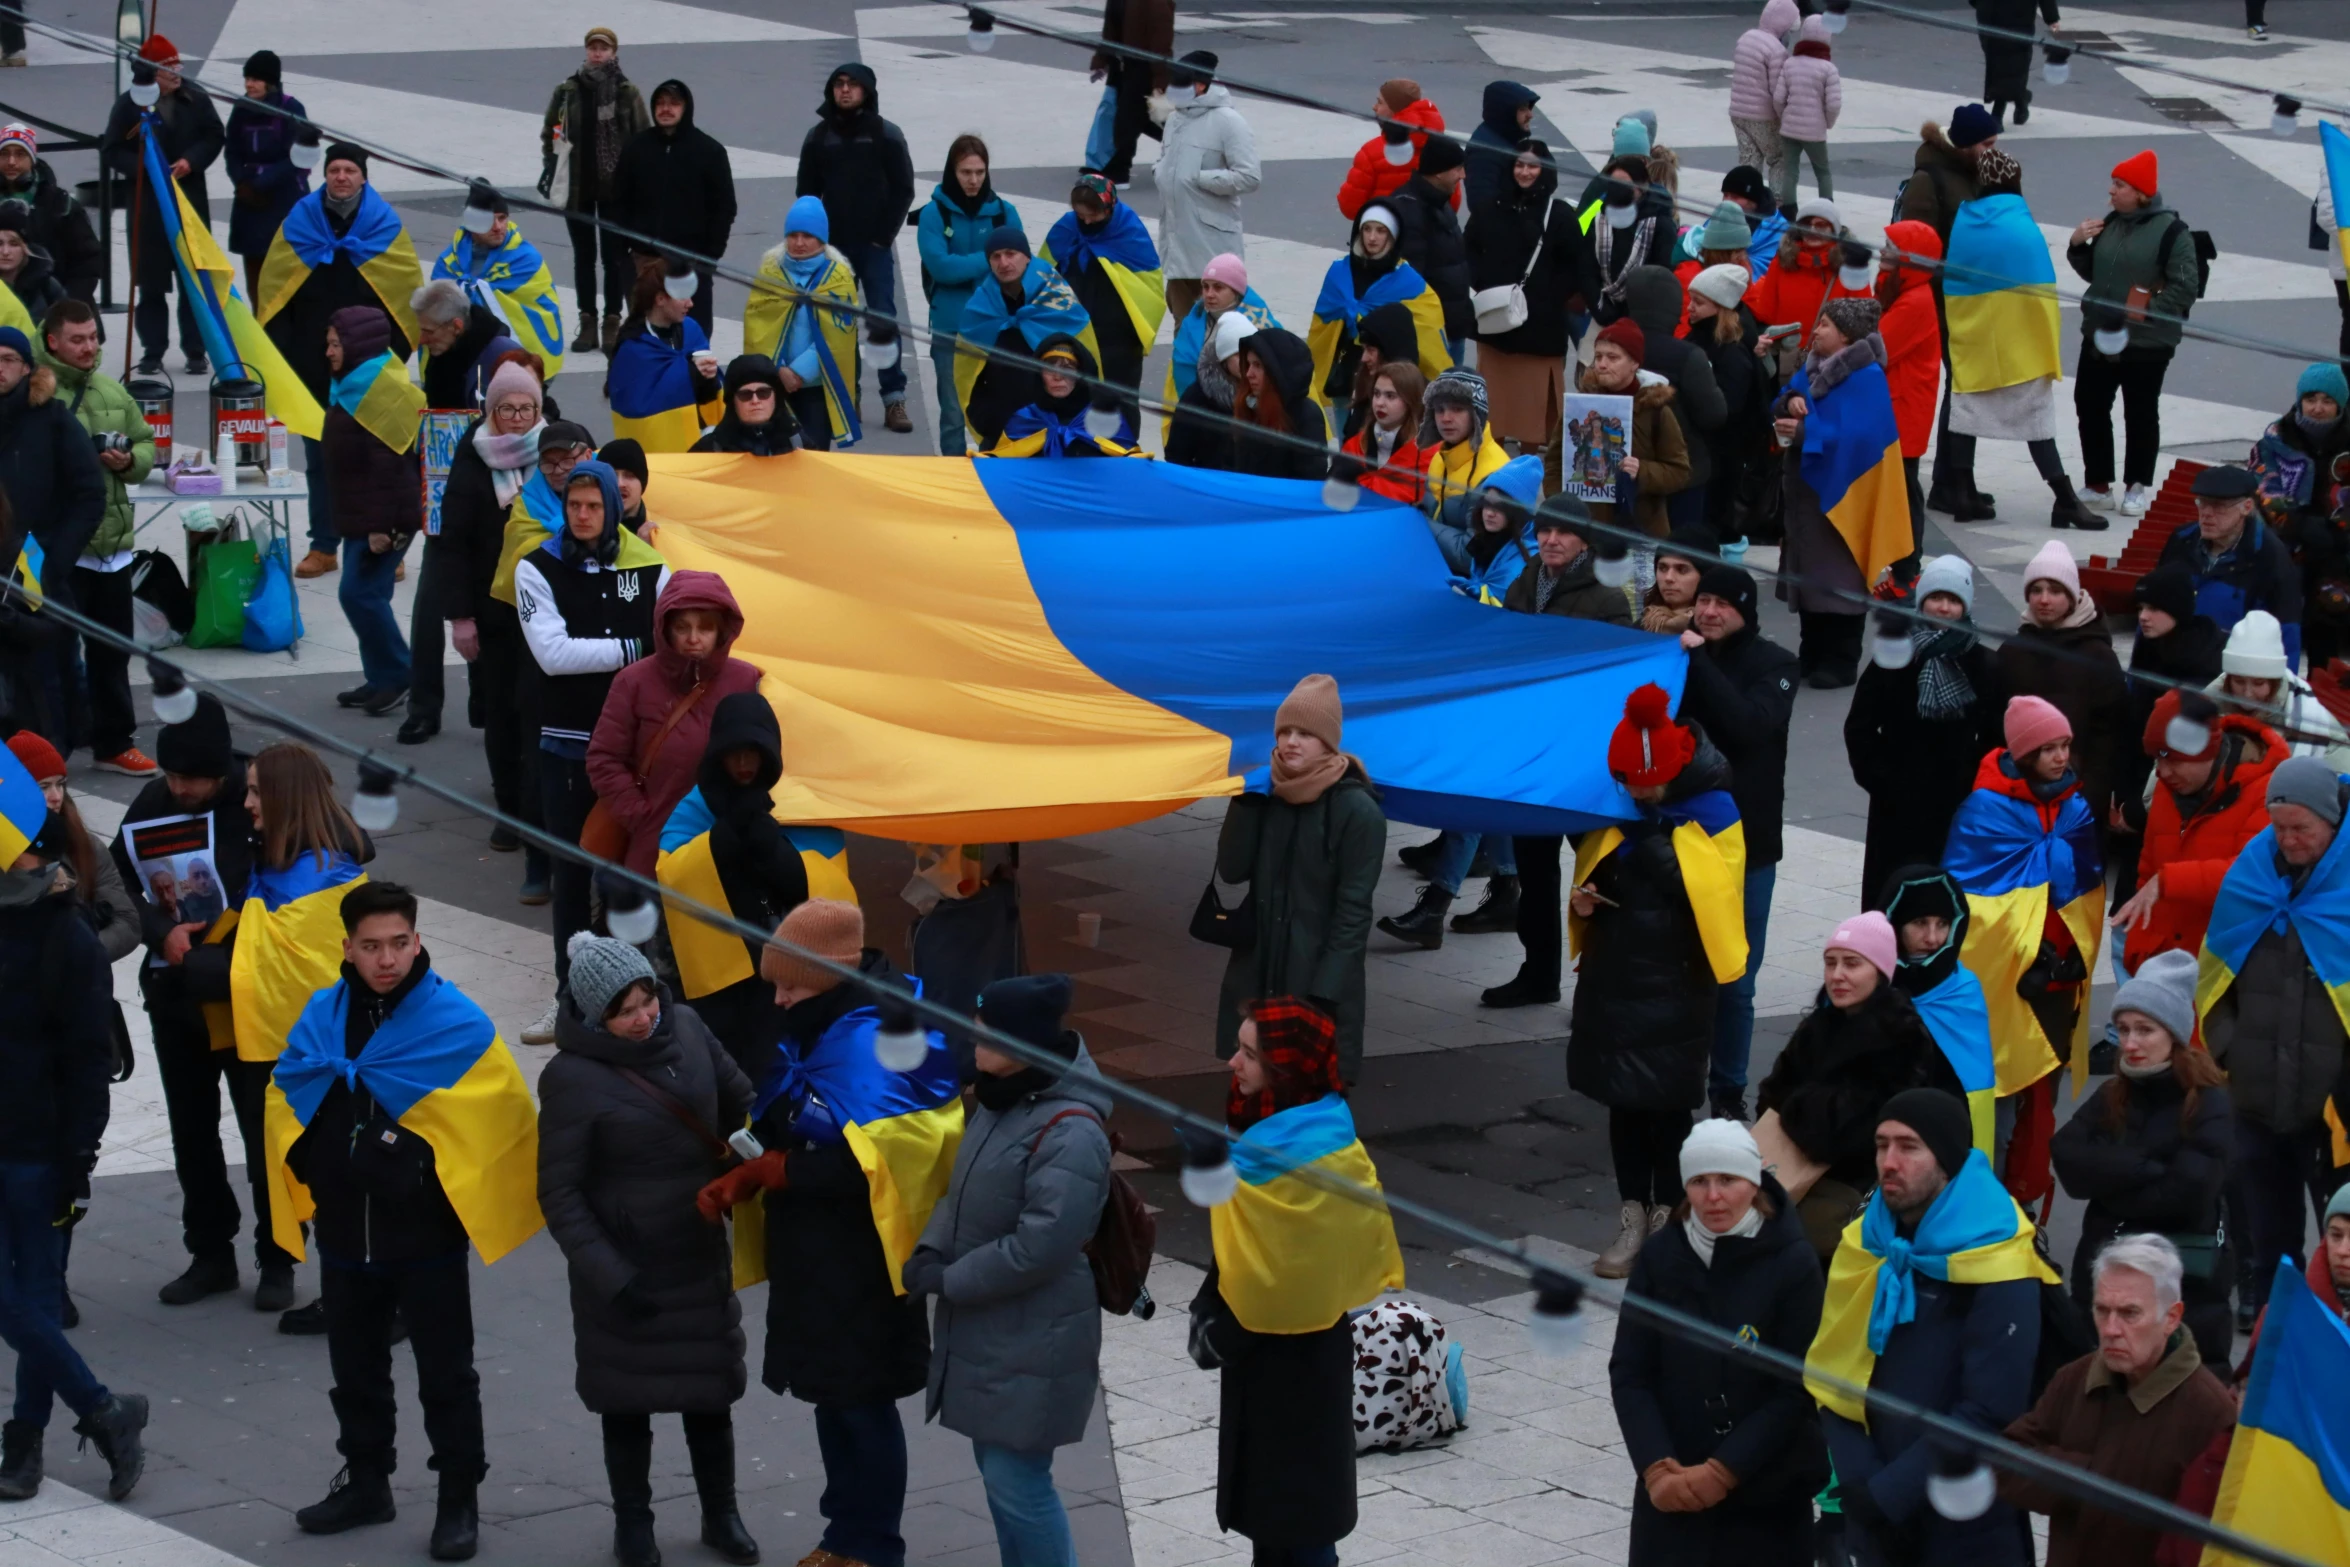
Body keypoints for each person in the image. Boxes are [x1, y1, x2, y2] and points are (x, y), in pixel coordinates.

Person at [272, 882, 541, 1560]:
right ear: (347, 948)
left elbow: (500, 1113)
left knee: (447, 1373)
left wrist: (419, 1159)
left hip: (426, 1236)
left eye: (399, 943)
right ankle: (367, 1481)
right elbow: (288, 1088)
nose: (386, 958)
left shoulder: (456, 1021)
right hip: (344, 1232)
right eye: (371, 946)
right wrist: (316, 1159)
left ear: (417, 940)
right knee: (354, 1368)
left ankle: (459, 1498)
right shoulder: (322, 1015)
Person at [695, 898, 961, 1567]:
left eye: (791, 985)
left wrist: (776, 1169)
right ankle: (843, 1534)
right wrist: (753, 1162)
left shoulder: (884, 1039)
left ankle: (874, 1543)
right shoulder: (821, 1026)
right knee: (832, 1400)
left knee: (861, 1404)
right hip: (814, 1259)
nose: (779, 1000)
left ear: (831, 977)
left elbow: (870, 1162)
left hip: (864, 1263)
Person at [536, 932, 759, 1567]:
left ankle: (723, 1514)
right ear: (594, 1017)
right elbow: (559, 1192)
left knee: (709, 1393)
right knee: (625, 1401)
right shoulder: (572, 1079)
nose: (643, 1017)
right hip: (626, 1267)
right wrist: (611, 1274)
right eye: (624, 1010)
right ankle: (633, 1523)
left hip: (697, 1246)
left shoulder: (686, 1026)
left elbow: (741, 1099)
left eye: (647, 999)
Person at [901, 974, 1112, 1567]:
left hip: (1036, 1332)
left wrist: (951, 1278)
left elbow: (1042, 1245)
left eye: (985, 1029)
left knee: (1018, 1484)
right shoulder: (1003, 1098)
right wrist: (931, 1249)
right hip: (1000, 1328)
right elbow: (961, 1190)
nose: (973, 1036)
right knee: (1001, 1479)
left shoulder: (1069, 1129)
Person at [1188, 998, 1403, 1567]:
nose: (1234, 1063)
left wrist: (1219, 1325)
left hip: (1299, 1364)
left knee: (1300, 1531)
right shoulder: (1271, 1126)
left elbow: (1289, 1274)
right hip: (1271, 1362)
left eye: (1250, 1054)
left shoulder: (1324, 1154)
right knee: (1274, 1525)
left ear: (1285, 1070)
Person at [1807, 1090, 2051, 1567]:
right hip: (1873, 1513)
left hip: (1965, 1525)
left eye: (1909, 1146)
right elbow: (1832, 1370)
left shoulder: (2000, 1259)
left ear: (1948, 1159)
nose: (1889, 1162)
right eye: (1881, 1145)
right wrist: (1859, 1481)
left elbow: (1989, 1411)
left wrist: (1888, 1493)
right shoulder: (1865, 1243)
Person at [110, 698, 290, 1310]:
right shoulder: (159, 799)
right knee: (192, 1129)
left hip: (247, 997)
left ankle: (279, 1255)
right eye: (173, 777)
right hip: (177, 989)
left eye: (193, 779)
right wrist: (163, 933)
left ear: (223, 774)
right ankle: (210, 1252)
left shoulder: (258, 796)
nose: (181, 789)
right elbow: (115, 883)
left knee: (260, 1128)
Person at [0, 781, 149, 1506]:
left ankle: (24, 1441)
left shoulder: (66, 936)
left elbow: (89, 1059)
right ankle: (104, 1409)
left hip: (38, 1147)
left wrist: (78, 1159)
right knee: (16, 1299)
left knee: (31, 1297)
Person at [1573, 681, 1744, 1283]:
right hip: (1618, 976)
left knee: (1670, 1108)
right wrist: (1589, 897)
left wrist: (1654, 846)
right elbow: (1599, 866)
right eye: (1631, 783)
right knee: (1623, 1104)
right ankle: (1630, 1217)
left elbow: (1717, 894)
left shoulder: (1716, 809)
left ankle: (1670, 1220)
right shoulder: (1622, 803)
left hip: (1678, 981)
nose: (1639, 793)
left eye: (1648, 784)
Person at [1608, 1118, 1826, 1567]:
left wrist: (1724, 1471)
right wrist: (1656, 1468)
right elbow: (1631, 1371)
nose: (1713, 1197)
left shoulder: (1794, 1263)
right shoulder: (1659, 1257)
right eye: (1699, 1181)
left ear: (1754, 1180)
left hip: (1766, 1494)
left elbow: (1797, 1387)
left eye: (1727, 1180)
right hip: (1673, 1490)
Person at [2198, 757, 2350, 1330]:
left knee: (2345, 1254)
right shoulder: (2252, 876)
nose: (2288, 841)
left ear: (2332, 824)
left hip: (2337, 1113)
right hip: (2256, 1102)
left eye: (2301, 829)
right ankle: (2267, 1371)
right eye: (2280, 827)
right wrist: (2231, 1052)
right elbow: (2215, 976)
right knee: (2269, 1250)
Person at [1944, 695, 2106, 1208]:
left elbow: (2086, 891)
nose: (2061, 757)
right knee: (1999, 1094)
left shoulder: (2075, 807)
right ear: (2024, 752)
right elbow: (1972, 906)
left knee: (2041, 1104)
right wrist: (2020, 956)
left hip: (2056, 980)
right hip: (2005, 984)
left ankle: (2026, 1205)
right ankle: (1983, 1204)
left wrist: (2075, 957)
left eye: (2065, 746)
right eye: (2049, 748)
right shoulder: (1983, 812)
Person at [513, 459, 669, 992]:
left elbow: (669, 642)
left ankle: (638, 993)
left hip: (637, 750)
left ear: (611, 508)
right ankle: (571, 993)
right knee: (572, 874)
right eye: (574, 505)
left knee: (639, 874)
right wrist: (633, 649)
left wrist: (643, 651)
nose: (582, 515)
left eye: (593, 506)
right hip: (569, 748)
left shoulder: (649, 564)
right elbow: (554, 654)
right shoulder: (536, 567)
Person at [2000, 1234, 2236, 1567]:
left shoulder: (2210, 1413)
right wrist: (2085, 1477)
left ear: (2171, 1317)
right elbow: (2007, 1460)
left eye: (2129, 1314)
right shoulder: (2075, 1379)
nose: (2110, 1329)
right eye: (2102, 1310)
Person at [2053, 955, 2236, 1368]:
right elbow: (2067, 1158)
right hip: (2104, 1278)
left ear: (2173, 1034)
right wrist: (2144, 1166)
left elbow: (2188, 1195)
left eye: (2144, 1030)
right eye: (2122, 1029)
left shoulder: (2209, 1101)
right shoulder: (2112, 1095)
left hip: (2183, 1286)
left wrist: (2110, 1185)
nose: (2129, 1043)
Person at [257, 141, 424, 579]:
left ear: (363, 177)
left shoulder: (383, 224)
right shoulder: (301, 220)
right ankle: (324, 545)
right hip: (314, 364)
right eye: (334, 170)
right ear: (324, 175)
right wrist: (287, 356)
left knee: (381, 456)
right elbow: (277, 290)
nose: (342, 177)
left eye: (350, 169)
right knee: (320, 458)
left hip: (373, 368)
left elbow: (404, 296)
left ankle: (388, 543)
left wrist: (393, 358)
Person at [1758, 913, 1966, 1258]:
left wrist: (1798, 1107)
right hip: (1796, 1175)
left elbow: (1852, 1134)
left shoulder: (1902, 1036)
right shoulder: (1818, 1026)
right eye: (1831, 963)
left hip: (1857, 1193)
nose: (1837, 975)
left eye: (1852, 964)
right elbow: (1770, 1097)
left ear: (1880, 971)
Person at [1212, 675, 1384, 1085]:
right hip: (1258, 970)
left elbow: (1354, 912)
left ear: (1328, 742)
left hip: (1314, 981)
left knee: (1307, 1098)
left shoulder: (1357, 811)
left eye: (1305, 733)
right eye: (1285, 731)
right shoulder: (1266, 795)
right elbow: (1232, 871)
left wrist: (1322, 995)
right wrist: (1244, 802)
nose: (1291, 741)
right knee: (1252, 1091)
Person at [1674, 564, 1798, 1115]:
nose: (1709, 611)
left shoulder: (1776, 665)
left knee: (1736, 978)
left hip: (1749, 848)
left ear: (1745, 610)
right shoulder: (1681, 654)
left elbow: (1749, 727)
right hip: (1685, 838)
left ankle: (1727, 1091)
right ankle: (1676, 1079)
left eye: (1722, 603)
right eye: (1704, 601)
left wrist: (1697, 662)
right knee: (1678, 970)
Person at [649, 693, 817, 1075]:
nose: (743, 764)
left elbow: (823, 881)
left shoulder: (796, 802)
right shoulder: (696, 806)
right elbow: (671, 873)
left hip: (780, 969)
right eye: (733, 753)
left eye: (753, 753)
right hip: (715, 976)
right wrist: (723, 837)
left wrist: (770, 846)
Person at [1947, 151, 2102, 531]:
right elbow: (2039, 287)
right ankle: (2064, 499)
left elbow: (1955, 278)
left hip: (1974, 335)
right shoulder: (2019, 223)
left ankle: (1963, 493)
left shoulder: (1964, 220)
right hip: (2021, 341)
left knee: (1965, 409)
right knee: (2036, 416)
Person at [37, 301, 156, 776]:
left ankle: (113, 742)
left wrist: (129, 462)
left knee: (113, 651)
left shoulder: (112, 389)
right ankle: (57, 745)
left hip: (114, 549)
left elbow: (146, 442)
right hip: (65, 551)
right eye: (77, 339)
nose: (89, 348)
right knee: (58, 654)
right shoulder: (38, 394)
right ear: (52, 342)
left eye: (93, 338)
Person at [1845, 555, 2003, 903]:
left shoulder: (1984, 662)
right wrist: (1879, 779)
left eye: (1953, 600)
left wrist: (1970, 785)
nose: (1943, 608)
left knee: (1942, 901)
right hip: (1895, 804)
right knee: (1890, 898)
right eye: (1935, 598)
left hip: (1955, 805)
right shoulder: (1895, 652)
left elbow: (1995, 737)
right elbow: (1861, 725)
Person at [585, 571, 760, 878]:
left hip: (725, 847)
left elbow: (765, 759)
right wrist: (642, 817)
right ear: (665, 629)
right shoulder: (633, 681)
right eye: (682, 627)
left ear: (723, 632)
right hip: (653, 849)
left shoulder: (746, 680)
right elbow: (603, 759)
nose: (693, 638)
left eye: (705, 627)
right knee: (650, 924)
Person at [1770, 295, 1905, 688]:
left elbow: (1864, 438)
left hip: (1844, 496)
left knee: (1840, 578)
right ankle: (1811, 654)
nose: (1816, 330)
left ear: (1846, 336)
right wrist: (1789, 402)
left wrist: (1806, 433)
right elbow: (1784, 398)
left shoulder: (1867, 378)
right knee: (1811, 579)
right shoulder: (1814, 367)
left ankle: (1842, 660)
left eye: (1825, 325)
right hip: (1810, 496)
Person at [2113, 690, 2283, 982]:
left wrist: (2169, 880)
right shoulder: (2169, 790)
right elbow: (2146, 878)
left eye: (2172, 760)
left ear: (2206, 752)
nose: (2162, 772)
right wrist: (2138, 952)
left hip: (2226, 974)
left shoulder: (2266, 792)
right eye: (2157, 760)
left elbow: (2253, 876)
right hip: (2164, 971)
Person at [2068, 150, 2201, 517]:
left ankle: (2136, 486)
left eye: (2119, 185)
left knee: (2140, 413)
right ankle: (2097, 483)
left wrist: (2143, 313)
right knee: (2090, 404)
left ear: (2141, 192)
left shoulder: (2174, 233)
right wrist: (2078, 244)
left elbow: (2185, 286)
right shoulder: (2111, 223)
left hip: (2147, 342)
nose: (2110, 191)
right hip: (2100, 332)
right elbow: (2094, 274)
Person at [794, 63, 914, 434]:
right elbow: (807, 193)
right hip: (833, 250)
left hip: (874, 245)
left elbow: (903, 189)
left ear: (867, 91)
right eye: (839, 84)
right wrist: (817, 242)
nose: (845, 91)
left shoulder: (886, 134)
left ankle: (894, 398)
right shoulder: (818, 136)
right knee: (838, 322)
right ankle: (849, 397)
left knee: (882, 319)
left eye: (853, 85)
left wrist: (883, 236)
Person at [0, 323, 102, 754]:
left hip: (38, 572)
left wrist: (53, 560)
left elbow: (89, 494)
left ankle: (50, 765)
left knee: (46, 678)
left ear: (26, 368)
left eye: (7, 360)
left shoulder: (53, 419)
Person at [322, 305, 425, 718]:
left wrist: (382, 529)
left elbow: (391, 470)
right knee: (370, 594)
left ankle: (399, 674)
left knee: (358, 594)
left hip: (382, 518)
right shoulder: (356, 384)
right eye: (328, 343)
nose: (328, 352)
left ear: (356, 344)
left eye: (334, 344)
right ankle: (380, 677)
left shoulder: (379, 393)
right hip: (362, 514)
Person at [1898, 105, 1999, 520]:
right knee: (1961, 390)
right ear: (1967, 144)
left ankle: (1957, 479)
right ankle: (1950, 483)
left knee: (1966, 389)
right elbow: (1916, 247)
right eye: (1988, 144)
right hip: (1942, 301)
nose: (1994, 151)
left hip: (1971, 300)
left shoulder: (1975, 174)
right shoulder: (1930, 179)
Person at [102, 36, 222, 376]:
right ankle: (153, 350)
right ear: (152, 74)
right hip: (148, 206)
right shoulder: (129, 106)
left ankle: (196, 349)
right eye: (170, 69)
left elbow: (214, 135)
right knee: (151, 284)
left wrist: (191, 161)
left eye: (177, 67)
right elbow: (112, 149)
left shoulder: (195, 97)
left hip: (189, 202)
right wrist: (146, 168)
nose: (177, 75)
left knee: (194, 282)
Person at [1995, 541, 2130, 825]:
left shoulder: (2098, 656)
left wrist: (2091, 797)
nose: (2044, 599)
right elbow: (1993, 728)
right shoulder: (2012, 651)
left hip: (2078, 800)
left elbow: (2109, 739)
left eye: (2055, 591)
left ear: (2072, 596)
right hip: (2015, 798)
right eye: (2036, 590)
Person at [541, 27, 648, 355]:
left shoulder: (626, 91)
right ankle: (587, 320)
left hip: (616, 191)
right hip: (578, 188)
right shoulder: (567, 91)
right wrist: (552, 164)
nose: (597, 53)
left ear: (614, 52)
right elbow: (550, 131)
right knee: (583, 256)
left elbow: (642, 138)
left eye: (604, 48)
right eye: (593, 47)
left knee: (614, 258)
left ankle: (612, 321)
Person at [917, 136, 1022, 457]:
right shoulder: (934, 214)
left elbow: (1019, 266)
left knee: (1003, 410)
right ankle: (953, 480)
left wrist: (993, 261)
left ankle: (997, 474)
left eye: (979, 172)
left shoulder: (1005, 213)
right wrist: (992, 256)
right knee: (953, 414)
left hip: (998, 329)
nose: (973, 180)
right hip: (951, 328)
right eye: (965, 172)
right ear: (952, 171)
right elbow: (942, 269)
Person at [953, 229, 1096, 454]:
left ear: (1027, 256)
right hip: (1002, 434)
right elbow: (966, 374)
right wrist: (987, 421)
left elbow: (1087, 365)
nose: (1004, 262)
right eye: (996, 256)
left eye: (1011, 254)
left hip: (1058, 432)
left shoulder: (1057, 299)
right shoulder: (980, 307)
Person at [611, 80, 735, 333]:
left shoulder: (710, 152)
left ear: (686, 107)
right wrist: (620, 253)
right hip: (642, 262)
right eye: (660, 103)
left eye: (673, 103)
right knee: (642, 333)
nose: (666, 109)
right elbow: (618, 202)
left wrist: (710, 256)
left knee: (693, 334)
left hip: (690, 263)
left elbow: (724, 208)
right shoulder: (636, 148)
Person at [1043, 174, 1163, 433]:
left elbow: (1149, 288)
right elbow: (1042, 277)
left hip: (1119, 345)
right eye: (1080, 215)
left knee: (1120, 409)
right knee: (1073, 406)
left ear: (1109, 208)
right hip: (1073, 340)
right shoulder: (1066, 228)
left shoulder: (1128, 232)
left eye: (1093, 215)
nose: (1086, 222)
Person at [1307, 204, 1450, 420]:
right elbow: (1323, 321)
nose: (1372, 237)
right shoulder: (1339, 271)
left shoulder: (1408, 281)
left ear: (1393, 236)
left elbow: (1428, 329)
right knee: (1348, 438)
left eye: (1381, 231)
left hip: (1388, 378)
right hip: (1345, 371)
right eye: (1367, 229)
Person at [2157, 465, 2304, 667]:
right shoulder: (2182, 540)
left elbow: (2286, 634)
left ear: (2246, 507)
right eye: (2202, 503)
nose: (2206, 513)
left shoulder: (2270, 557)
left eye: (2218, 506)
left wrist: (2283, 693)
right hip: (2171, 669)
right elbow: (2154, 607)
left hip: (2230, 677)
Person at [1561, 318, 1692, 540]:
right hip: (1585, 531)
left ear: (1634, 363)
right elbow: (1556, 460)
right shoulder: (1582, 403)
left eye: (1613, 358)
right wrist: (1561, 505)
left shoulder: (1655, 409)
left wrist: (1642, 470)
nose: (1602, 364)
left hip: (1641, 530)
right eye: (1599, 356)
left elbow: (1680, 471)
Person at [1156, 50, 1261, 326]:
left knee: (1218, 330)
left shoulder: (1228, 121)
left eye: (1179, 86)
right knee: (1184, 330)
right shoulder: (1175, 120)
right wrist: (1162, 174)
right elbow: (1165, 162)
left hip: (1211, 249)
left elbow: (1250, 176)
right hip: (1177, 250)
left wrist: (1200, 178)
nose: (1172, 91)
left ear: (1201, 85)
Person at [744, 198, 857, 449]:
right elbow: (757, 327)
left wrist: (799, 372)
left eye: (807, 235)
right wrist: (779, 369)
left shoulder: (839, 279)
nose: (799, 243)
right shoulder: (770, 273)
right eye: (793, 235)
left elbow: (838, 338)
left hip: (815, 386)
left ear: (821, 238)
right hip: (773, 382)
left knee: (814, 455)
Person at [2206, 611, 2350, 770]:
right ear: (2228, 679)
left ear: (2274, 683)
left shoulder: (2306, 717)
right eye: (2239, 681)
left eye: (2258, 683)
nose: (2247, 693)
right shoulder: (2211, 703)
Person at [607, 260, 724, 453]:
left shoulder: (691, 329)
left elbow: (711, 394)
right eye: (683, 297)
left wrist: (709, 377)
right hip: (659, 453)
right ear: (660, 299)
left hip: (702, 439)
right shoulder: (632, 349)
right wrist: (691, 374)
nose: (691, 303)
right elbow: (637, 410)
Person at [1876, 220, 1945, 546]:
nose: (1881, 250)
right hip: (1897, 404)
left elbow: (1878, 348)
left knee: (1904, 493)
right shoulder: (1902, 289)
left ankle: (1907, 568)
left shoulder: (1914, 301)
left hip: (1902, 408)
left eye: (1890, 247)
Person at [223, 54, 309, 298]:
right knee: (255, 273)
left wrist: (261, 184)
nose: (249, 85)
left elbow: (298, 156)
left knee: (285, 272)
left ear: (270, 82)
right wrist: (241, 182)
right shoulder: (242, 108)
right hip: (249, 202)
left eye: (256, 79)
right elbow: (232, 151)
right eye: (247, 79)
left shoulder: (291, 108)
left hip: (283, 201)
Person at [1741, 199, 1868, 357]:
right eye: (1806, 224)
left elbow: (1862, 326)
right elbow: (1766, 311)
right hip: (1787, 356)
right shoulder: (1782, 262)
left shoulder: (1851, 266)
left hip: (1831, 361)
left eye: (1820, 225)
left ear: (1834, 229)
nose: (1812, 230)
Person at [1385, 134, 1473, 359]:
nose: (1463, 175)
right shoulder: (1411, 211)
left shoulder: (1439, 202)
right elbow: (1410, 284)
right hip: (1432, 336)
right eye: (1458, 168)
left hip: (1450, 328)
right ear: (1438, 171)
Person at [986, 337, 1140, 458]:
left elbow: (1131, 466)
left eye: (1068, 368)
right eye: (1049, 368)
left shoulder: (1103, 417)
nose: (1058, 376)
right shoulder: (1025, 420)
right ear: (1039, 375)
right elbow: (999, 468)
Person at [0, 126, 99, 306]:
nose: (11, 161)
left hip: (57, 304)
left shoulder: (61, 204)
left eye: (20, 154)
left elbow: (88, 261)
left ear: (32, 159)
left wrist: (66, 303)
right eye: (4, 154)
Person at [1586, 156, 1679, 324]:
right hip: (1604, 313)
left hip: (1643, 318)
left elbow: (1662, 274)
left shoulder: (1661, 224)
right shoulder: (1600, 217)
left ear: (1642, 186)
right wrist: (1602, 311)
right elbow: (1587, 269)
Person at [1337, 79, 1449, 220]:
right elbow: (1452, 202)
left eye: (1380, 102)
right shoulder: (1442, 150)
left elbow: (1350, 206)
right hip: (1430, 235)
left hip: (1382, 235)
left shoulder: (1372, 152)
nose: (1374, 107)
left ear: (1394, 109)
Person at [1090, 0, 1173, 185]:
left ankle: (1119, 173)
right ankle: (1188, 147)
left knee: (1127, 121)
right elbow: (1110, 30)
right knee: (1141, 120)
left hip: (1143, 68)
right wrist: (1101, 60)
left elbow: (1162, 41)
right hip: (1121, 67)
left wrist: (1160, 79)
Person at [1229, 330, 1327, 480]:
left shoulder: (1305, 415)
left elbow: (1310, 479)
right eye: (1248, 364)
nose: (1249, 373)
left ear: (1277, 371)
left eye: (1258, 365)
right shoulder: (1249, 407)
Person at [1166, 306, 1254, 471]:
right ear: (1223, 358)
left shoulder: (1264, 392)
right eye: (1238, 355)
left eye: (1251, 354)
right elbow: (1177, 455)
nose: (1246, 361)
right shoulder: (1197, 397)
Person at [1425, 367, 1512, 529]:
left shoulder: (1494, 473)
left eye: (1457, 409)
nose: (1446, 418)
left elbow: (1472, 550)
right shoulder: (1439, 456)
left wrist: (1425, 528)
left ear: (1476, 415)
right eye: (1439, 410)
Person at [409, 279, 512, 413]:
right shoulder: (444, 350)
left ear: (457, 327)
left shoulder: (505, 356)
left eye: (429, 331)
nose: (421, 340)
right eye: (420, 331)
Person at [1728, 0, 1797, 195]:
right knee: (1780, 158)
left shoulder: (1746, 38)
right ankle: (1777, 203)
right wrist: (1785, 119)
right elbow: (1778, 94)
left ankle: (1746, 201)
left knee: (1749, 160)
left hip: (1738, 113)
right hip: (1762, 117)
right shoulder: (1776, 51)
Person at [1770, 15, 1840, 209]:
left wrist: (1785, 117)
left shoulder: (1790, 63)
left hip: (1789, 129)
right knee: (1823, 172)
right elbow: (1833, 105)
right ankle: (1826, 209)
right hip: (1815, 132)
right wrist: (1827, 122)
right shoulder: (1829, 69)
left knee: (1790, 171)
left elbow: (1778, 98)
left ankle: (1789, 210)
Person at [1334, 360, 1424, 504]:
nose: (1379, 403)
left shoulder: (1427, 453)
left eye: (1390, 396)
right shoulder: (1355, 446)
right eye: (1376, 394)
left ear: (1410, 401)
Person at [691, 354, 803, 456]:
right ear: (732, 402)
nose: (755, 400)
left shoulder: (799, 443)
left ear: (776, 397)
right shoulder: (708, 450)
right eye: (745, 395)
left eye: (763, 393)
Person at [1973, 0, 2060, 126]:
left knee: (2012, 63)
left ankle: (1998, 113)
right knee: (1999, 63)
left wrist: (2051, 18)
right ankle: (2021, 98)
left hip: (2018, 16)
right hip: (1991, 17)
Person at [1720, 164, 1787, 276]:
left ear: (1753, 201)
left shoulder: (1778, 229)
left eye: (1735, 197)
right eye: (1725, 195)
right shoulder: (1720, 217)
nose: (1727, 201)